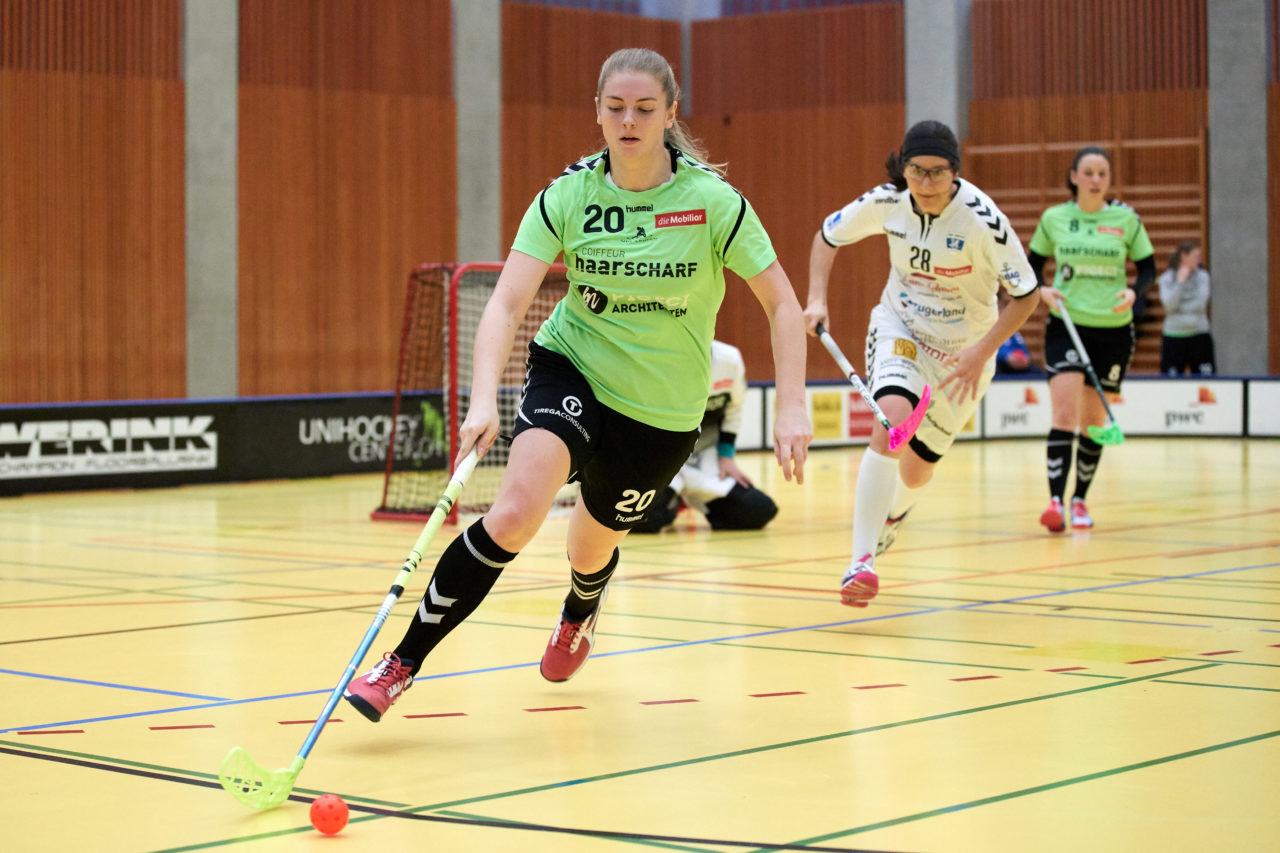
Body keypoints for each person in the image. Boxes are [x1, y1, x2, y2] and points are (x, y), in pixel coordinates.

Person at [343, 47, 812, 721]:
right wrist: (482, 398)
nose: (629, 121)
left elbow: (782, 305)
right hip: (573, 368)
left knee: (590, 548)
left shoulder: (712, 203)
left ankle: (580, 607)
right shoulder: (568, 196)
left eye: (644, 109)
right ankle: (400, 664)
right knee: (513, 513)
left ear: (670, 113)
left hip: (661, 412)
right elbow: (505, 303)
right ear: (597, 111)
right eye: (615, 108)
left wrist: (791, 406)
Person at [804, 120, 1040, 608]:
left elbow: (1026, 295)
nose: (926, 184)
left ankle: (893, 516)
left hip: (964, 355)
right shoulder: (888, 201)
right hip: (902, 328)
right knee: (891, 420)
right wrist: (816, 298)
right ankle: (861, 561)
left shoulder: (983, 221)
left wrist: (983, 351)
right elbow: (827, 236)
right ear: (903, 169)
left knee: (915, 474)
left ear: (955, 172)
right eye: (916, 171)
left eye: (938, 173)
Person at [1027, 145, 1155, 533]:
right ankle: (1055, 503)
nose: (1096, 180)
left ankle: (1079, 499)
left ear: (1109, 179)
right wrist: (1042, 290)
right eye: (1089, 173)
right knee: (1065, 414)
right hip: (1067, 324)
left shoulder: (1126, 219)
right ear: (1074, 177)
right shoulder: (1054, 218)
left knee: (1094, 422)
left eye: (1103, 173)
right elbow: (1032, 267)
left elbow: (1148, 269)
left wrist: (1134, 292)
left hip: (1114, 331)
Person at [631, 339, 778, 533]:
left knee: (760, 510)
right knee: (639, 520)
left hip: (706, 459)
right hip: (664, 461)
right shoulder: (656, 360)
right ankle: (674, 500)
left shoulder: (729, 359)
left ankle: (696, 499)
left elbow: (734, 410)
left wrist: (726, 456)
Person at [1158, 239, 1215, 376]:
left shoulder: (1203, 277)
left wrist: (1179, 309)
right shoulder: (1166, 278)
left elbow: (1201, 304)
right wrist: (1179, 283)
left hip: (1199, 334)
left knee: (1206, 380)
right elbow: (1168, 306)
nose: (1199, 260)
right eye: (1195, 256)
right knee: (1171, 381)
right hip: (1173, 335)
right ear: (1184, 256)